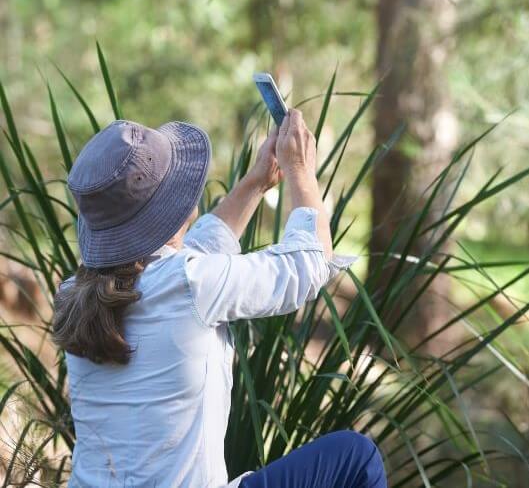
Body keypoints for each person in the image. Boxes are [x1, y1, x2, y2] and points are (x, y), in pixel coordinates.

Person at [52, 109, 387, 488]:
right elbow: (308, 264)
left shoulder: (75, 293)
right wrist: (300, 170)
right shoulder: (191, 284)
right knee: (357, 457)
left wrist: (256, 183)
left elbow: (189, 260)